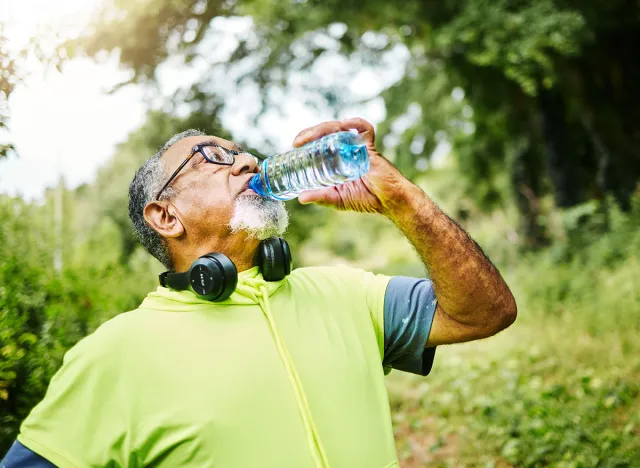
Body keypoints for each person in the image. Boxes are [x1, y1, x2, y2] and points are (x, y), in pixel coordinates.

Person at [2, 118, 516, 467]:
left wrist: (400, 197)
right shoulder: (115, 354)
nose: (247, 161)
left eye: (242, 152)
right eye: (211, 157)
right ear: (165, 215)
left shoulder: (344, 292)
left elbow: (485, 312)